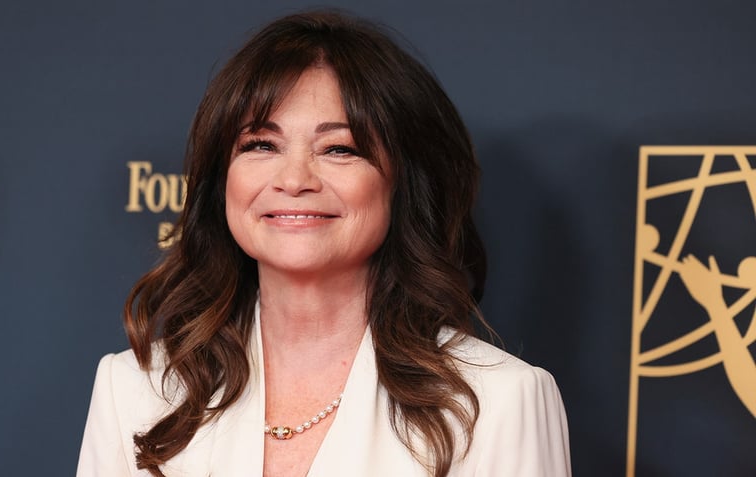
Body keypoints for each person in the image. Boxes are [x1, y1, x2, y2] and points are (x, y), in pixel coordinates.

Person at [77, 10, 571, 477]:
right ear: (220, 177)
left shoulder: (497, 403)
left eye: (339, 148)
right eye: (260, 145)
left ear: (403, 182)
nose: (293, 179)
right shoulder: (136, 390)